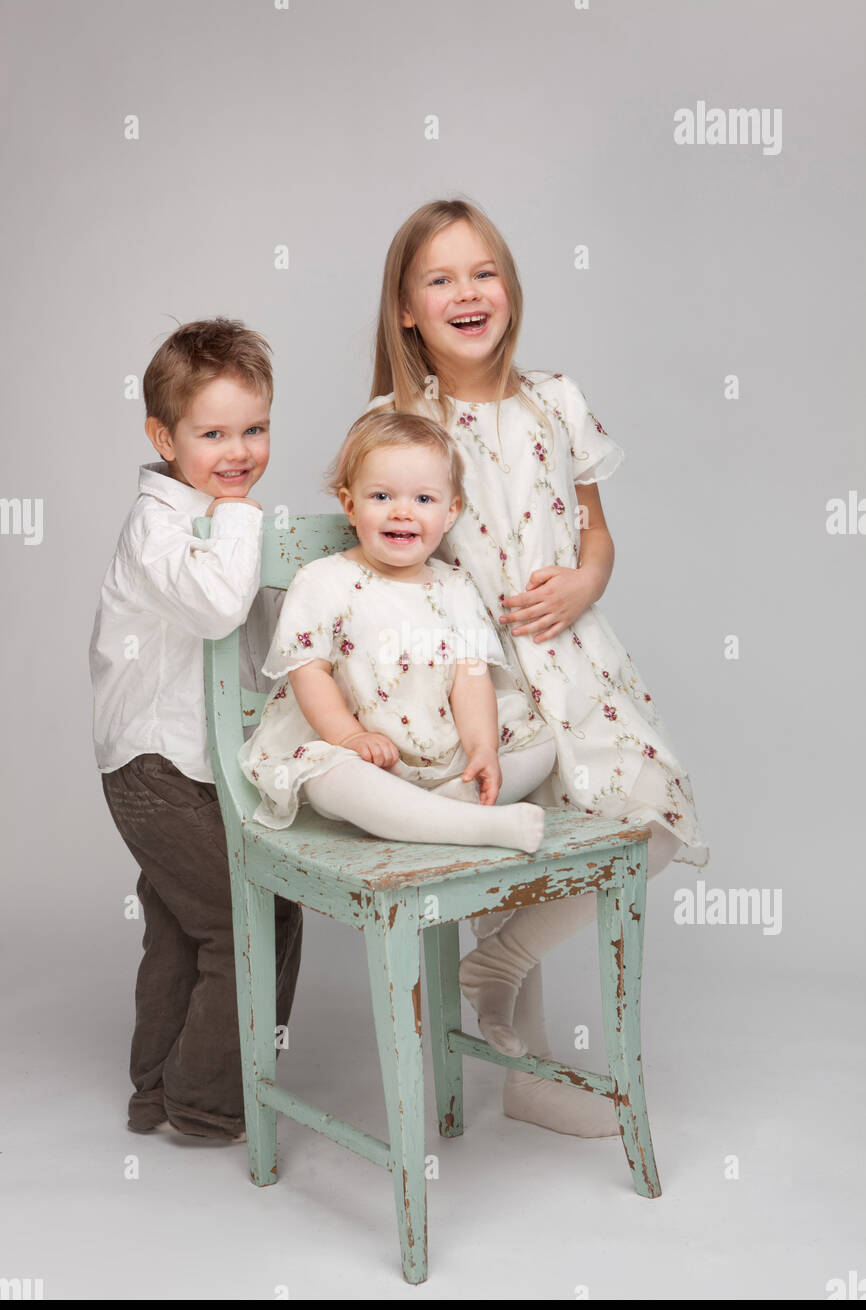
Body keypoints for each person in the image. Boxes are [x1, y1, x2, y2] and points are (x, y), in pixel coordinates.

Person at [358, 197, 711, 1136]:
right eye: (440, 279)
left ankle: (500, 966)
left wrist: (584, 586)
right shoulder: (399, 417)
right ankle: (523, 1065)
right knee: (515, 839)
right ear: (406, 309)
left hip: (569, 651)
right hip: (471, 672)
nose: (467, 293)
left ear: (510, 289)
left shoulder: (555, 397)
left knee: (656, 813)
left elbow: (596, 533)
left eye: (484, 273)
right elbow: (385, 558)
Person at [89, 317, 304, 1142]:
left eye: (255, 429)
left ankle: (156, 1091)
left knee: (184, 924)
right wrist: (247, 518)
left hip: (202, 763)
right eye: (213, 433)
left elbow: (262, 639)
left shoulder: (223, 522)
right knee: (255, 916)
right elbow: (217, 605)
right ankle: (210, 1101)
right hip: (153, 768)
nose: (238, 451)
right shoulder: (163, 525)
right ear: (163, 436)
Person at [238, 410, 558, 900]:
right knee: (330, 780)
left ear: (450, 512)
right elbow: (309, 671)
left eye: (423, 499)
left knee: (541, 747)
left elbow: (470, 679)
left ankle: (437, 810)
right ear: (350, 504)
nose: (402, 512)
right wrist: (350, 735)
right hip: (361, 753)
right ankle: (471, 825)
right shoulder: (324, 580)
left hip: (444, 751)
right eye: (382, 496)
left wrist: (481, 749)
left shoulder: (455, 587)